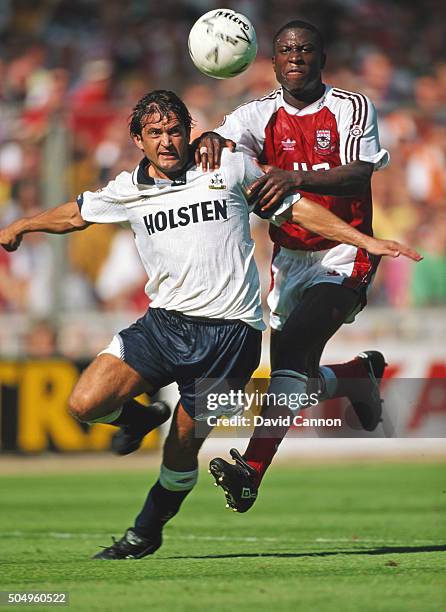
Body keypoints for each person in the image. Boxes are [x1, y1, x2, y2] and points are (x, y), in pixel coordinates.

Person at [0, 90, 419, 559]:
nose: (167, 141)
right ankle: (141, 416)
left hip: (230, 336)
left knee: (180, 449)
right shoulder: (128, 188)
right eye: (155, 133)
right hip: (163, 326)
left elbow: (296, 207)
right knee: (83, 403)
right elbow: (76, 213)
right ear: (138, 140)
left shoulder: (228, 168)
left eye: (175, 130)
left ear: (189, 132)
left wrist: (365, 239)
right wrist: (22, 226)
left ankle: (145, 532)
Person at [198, 20, 412, 512]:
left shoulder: (350, 106)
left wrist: (292, 177)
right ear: (272, 63)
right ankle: (354, 376)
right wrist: (210, 137)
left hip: (345, 251)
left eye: (306, 49)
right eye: (286, 50)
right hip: (289, 258)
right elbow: (222, 140)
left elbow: (360, 171)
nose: (295, 56)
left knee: (291, 348)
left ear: (322, 58)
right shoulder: (256, 113)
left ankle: (251, 469)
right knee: (292, 373)